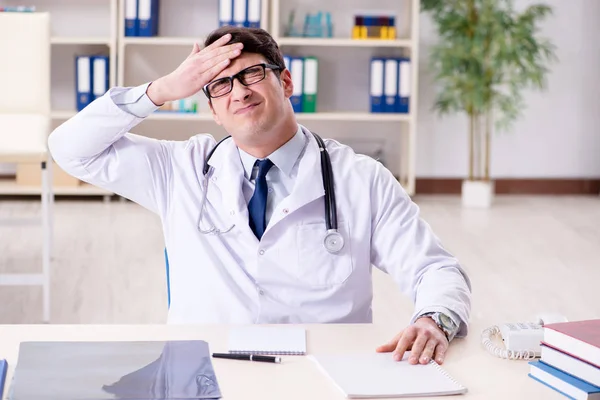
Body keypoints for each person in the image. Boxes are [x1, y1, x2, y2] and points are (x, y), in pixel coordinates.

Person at [48, 26, 472, 366]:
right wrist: (161, 90)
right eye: (219, 86)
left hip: (322, 371)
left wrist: (434, 319)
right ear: (212, 110)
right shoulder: (180, 168)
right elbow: (69, 149)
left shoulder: (361, 179)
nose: (239, 92)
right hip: (205, 369)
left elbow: (434, 269)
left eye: (251, 74)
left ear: (286, 82)